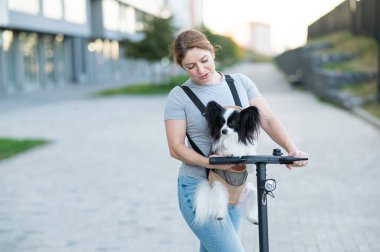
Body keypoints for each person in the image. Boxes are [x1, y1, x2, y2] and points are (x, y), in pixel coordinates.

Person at [164, 29, 308, 252]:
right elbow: (175, 148)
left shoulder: (240, 82)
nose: (200, 70)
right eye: (190, 67)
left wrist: (291, 149)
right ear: (182, 67)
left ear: (212, 52)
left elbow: (267, 118)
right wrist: (212, 162)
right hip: (198, 188)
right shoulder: (179, 96)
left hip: (235, 186)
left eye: (204, 60)